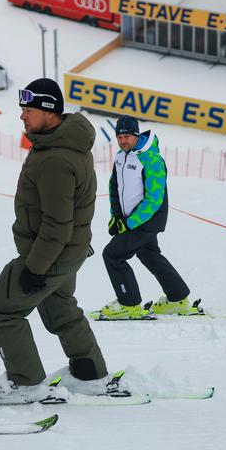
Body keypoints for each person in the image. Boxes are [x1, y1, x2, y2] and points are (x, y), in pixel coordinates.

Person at [0, 78, 130, 404]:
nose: (22, 116)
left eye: (28, 110)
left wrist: (35, 268)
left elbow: (57, 224)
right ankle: (89, 374)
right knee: (61, 309)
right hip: (67, 252)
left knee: (1, 309)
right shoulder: (61, 145)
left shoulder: (56, 158)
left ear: (48, 110)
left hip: (50, 254)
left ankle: (25, 383)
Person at [95, 116, 192, 320]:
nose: (123, 141)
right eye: (119, 137)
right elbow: (114, 186)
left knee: (113, 255)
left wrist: (128, 223)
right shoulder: (121, 156)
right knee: (149, 254)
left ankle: (129, 304)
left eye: (127, 136)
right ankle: (178, 297)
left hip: (147, 220)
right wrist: (116, 217)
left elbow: (154, 199)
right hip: (130, 220)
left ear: (136, 135)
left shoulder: (151, 158)